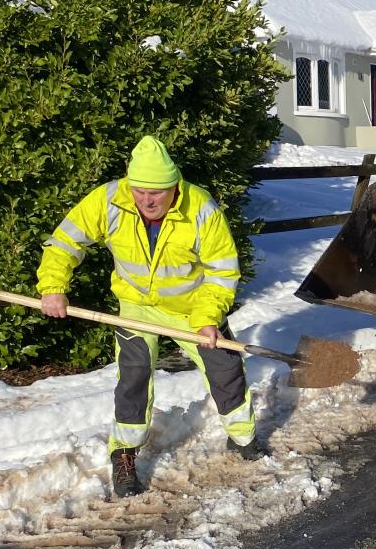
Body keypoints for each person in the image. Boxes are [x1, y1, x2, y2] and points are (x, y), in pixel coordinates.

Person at [36, 135, 262, 497]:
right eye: (139, 191)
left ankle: (244, 439)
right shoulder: (109, 200)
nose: (146, 200)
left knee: (226, 369)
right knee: (134, 375)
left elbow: (221, 272)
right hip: (137, 305)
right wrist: (52, 287)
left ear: (175, 186)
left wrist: (207, 318)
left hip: (192, 307)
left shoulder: (200, 208)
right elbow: (65, 241)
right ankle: (123, 455)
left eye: (156, 192)